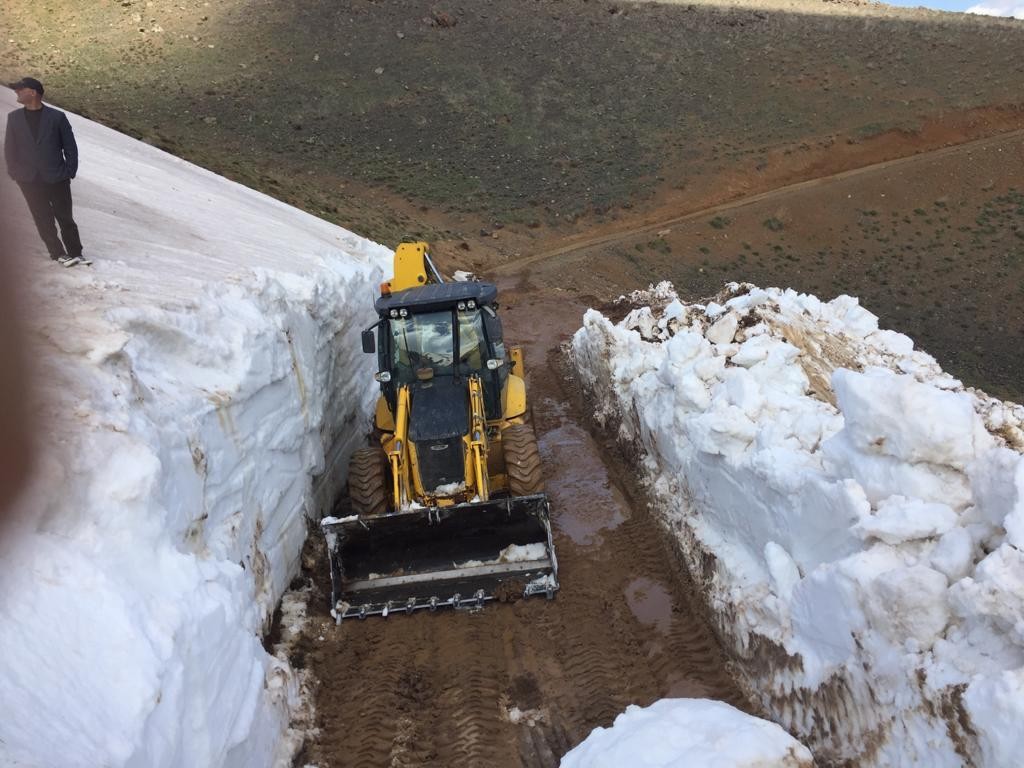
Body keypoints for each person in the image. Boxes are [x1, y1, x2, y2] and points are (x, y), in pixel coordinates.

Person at [4, 77, 90, 267]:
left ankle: (76, 253)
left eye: (20, 89)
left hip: (57, 177)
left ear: (33, 92)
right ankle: (57, 253)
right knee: (42, 218)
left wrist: (69, 171)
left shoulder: (57, 117)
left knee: (65, 217)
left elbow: (70, 147)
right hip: (28, 179)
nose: (17, 92)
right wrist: (15, 173)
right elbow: (10, 148)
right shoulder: (14, 118)